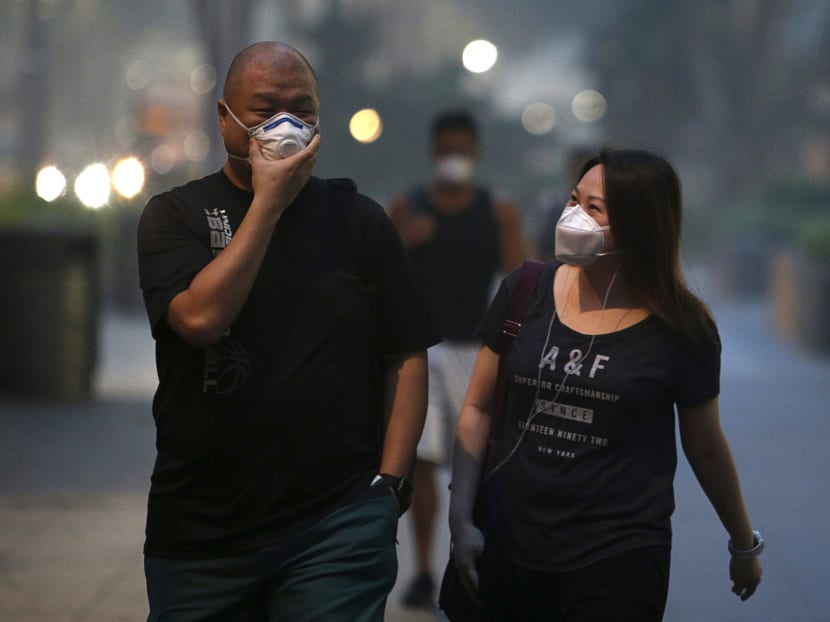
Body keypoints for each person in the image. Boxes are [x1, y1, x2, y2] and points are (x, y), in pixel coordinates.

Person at [137, 41, 440, 622]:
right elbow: (201, 321)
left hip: (335, 522)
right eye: (263, 109)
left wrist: (390, 486)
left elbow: (405, 354)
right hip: (201, 530)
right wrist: (268, 205)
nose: (285, 124)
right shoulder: (175, 215)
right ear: (224, 117)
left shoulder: (359, 222)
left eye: (302, 109)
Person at [448, 148, 763, 621]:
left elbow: (706, 446)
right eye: (574, 199)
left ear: (639, 226)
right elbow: (478, 408)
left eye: (594, 209)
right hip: (507, 544)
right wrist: (461, 520)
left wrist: (743, 544)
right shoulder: (525, 290)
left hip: (617, 559)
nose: (573, 216)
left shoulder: (680, 328)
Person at [387, 109, 525, 608]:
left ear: (476, 152)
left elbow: (522, 280)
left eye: (461, 149)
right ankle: (423, 568)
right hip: (421, 352)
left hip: (477, 351)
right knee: (420, 463)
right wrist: (404, 240)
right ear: (433, 151)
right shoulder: (409, 206)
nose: (453, 158)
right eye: (445, 149)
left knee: (479, 464)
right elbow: (376, 272)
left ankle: (468, 564)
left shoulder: (496, 210)